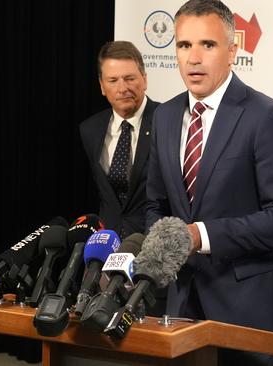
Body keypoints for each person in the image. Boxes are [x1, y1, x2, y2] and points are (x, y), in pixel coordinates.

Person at [145, 1, 273, 365]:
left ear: (233, 51)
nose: (194, 58)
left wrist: (199, 236)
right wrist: (161, 248)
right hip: (179, 304)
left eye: (208, 45)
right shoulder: (166, 115)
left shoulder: (266, 116)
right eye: (184, 45)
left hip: (247, 312)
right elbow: (155, 204)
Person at [79, 41, 165, 316]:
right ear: (102, 86)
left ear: (144, 79)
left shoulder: (169, 120)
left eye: (130, 78)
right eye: (113, 80)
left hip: (154, 252)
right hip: (107, 254)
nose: (123, 87)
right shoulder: (90, 129)